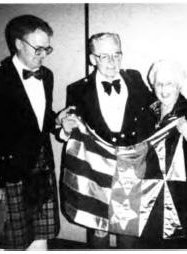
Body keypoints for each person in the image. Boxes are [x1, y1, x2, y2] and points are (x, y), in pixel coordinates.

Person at [57, 32, 155, 249]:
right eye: (104, 56)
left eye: (116, 54)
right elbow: (71, 129)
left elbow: (155, 110)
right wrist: (64, 130)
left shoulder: (135, 79)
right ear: (92, 59)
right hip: (96, 170)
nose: (112, 62)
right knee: (98, 227)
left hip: (129, 167)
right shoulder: (77, 89)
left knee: (127, 228)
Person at [0, 15, 60, 250]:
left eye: (47, 48)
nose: (43, 54)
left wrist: (58, 120)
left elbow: (37, 118)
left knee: (40, 238)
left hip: (41, 171)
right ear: (18, 44)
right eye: (38, 48)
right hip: (9, 173)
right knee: (7, 242)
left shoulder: (47, 76)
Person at [145, 59, 187, 248]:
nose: (164, 89)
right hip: (155, 198)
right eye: (159, 84)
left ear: (179, 85)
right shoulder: (148, 113)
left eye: (169, 83)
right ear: (152, 85)